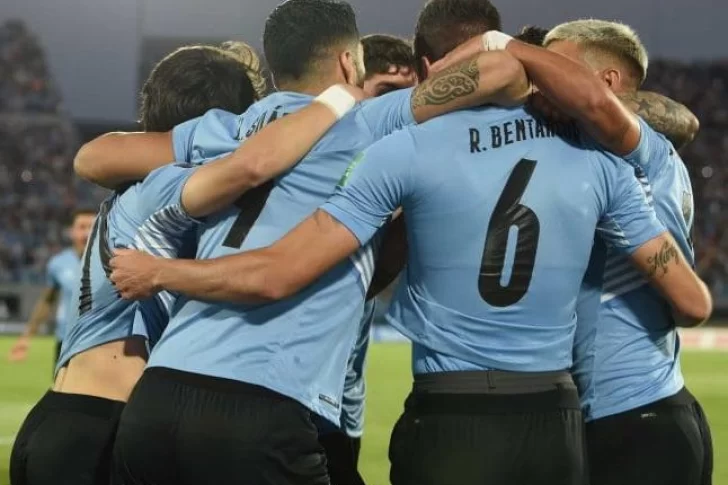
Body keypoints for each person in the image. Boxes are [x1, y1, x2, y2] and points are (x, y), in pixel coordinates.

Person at [109, 1, 712, 485]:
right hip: (559, 414)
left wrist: (162, 271)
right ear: (349, 61)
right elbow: (693, 302)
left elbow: (103, 157)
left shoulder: (390, 147)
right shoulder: (604, 163)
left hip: (447, 412)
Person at [92, 0, 531, 483]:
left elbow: (95, 157)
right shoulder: (370, 121)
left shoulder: (227, 129)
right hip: (260, 401)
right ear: (348, 62)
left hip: (159, 397)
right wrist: (457, 60)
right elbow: (501, 70)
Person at [10, 43, 354, 485]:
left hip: (60, 418)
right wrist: (338, 102)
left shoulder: (132, 192)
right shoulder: (167, 186)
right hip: (100, 430)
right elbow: (248, 167)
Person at [538, 20, 712, 485]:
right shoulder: (641, 154)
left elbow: (692, 306)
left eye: (556, 69)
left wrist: (503, 49)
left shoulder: (632, 156)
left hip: (636, 420)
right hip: (645, 411)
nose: (543, 81)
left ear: (607, 82)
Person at [316, 32, 419, 485]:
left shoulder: (391, 169)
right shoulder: (323, 165)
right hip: (302, 405)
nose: (403, 110)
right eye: (387, 92)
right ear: (355, 86)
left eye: (410, 96)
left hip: (344, 408)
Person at [7, 209, 95, 366]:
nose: (86, 233)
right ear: (71, 231)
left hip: (99, 342)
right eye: (82, 227)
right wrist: (26, 337)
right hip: (66, 341)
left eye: (92, 227)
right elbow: (47, 301)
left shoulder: (112, 262)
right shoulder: (58, 263)